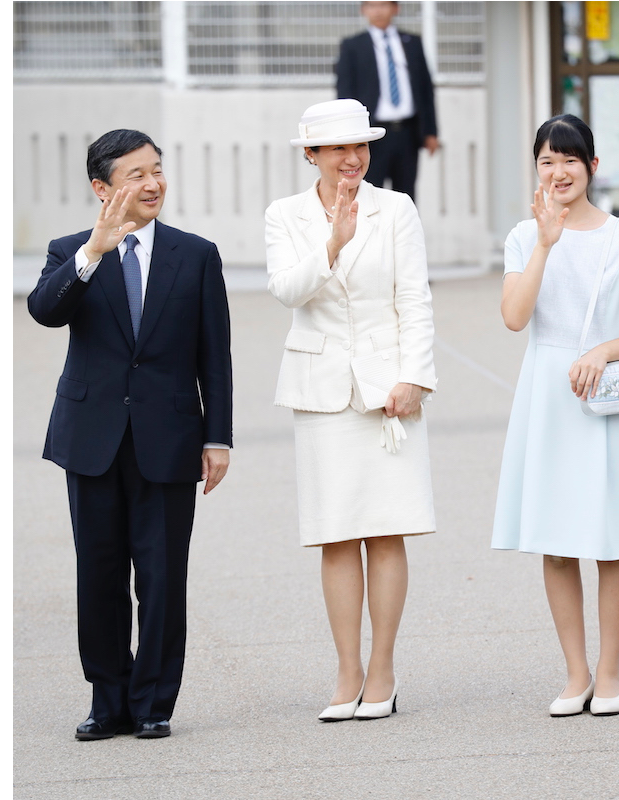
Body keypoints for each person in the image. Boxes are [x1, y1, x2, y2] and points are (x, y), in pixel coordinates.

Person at [27, 129, 233, 740]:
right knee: (100, 572)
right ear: (102, 188)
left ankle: (153, 702)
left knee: (164, 576)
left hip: (168, 437)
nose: (152, 184)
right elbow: (44, 309)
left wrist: (216, 437)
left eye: (158, 171)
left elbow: (213, 357)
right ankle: (107, 698)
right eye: (137, 175)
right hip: (91, 439)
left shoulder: (195, 254)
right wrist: (94, 249)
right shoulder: (72, 250)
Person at [265, 99, 437, 721]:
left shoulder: (397, 209)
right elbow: (287, 289)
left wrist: (414, 377)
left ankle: (383, 670)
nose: (352, 160)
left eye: (360, 147)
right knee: (336, 534)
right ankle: (347, 670)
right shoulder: (284, 216)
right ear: (310, 154)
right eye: (338, 149)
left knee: (386, 529)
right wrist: (332, 243)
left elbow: (415, 298)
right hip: (320, 389)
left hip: (387, 389)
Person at [492, 114, 619, 717]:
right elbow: (515, 317)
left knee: (613, 540)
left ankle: (612, 672)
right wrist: (546, 241)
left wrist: (602, 349)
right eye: (547, 161)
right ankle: (576, 673)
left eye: (570, 159)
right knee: (557, 542)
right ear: (536, 170)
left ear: (592, 166)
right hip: (548, 396)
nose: (558, 171)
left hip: (606, 400)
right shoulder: (523, 236)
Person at [336, 1, 438, 201]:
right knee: (368, 194)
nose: (378, 10)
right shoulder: (353, 46)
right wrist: (349, 137)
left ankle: (402, 233)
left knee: (406, 195)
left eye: (383, 4)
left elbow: (426, 89)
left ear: (395, 8)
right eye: (372, 5)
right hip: (371, 134)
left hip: (407, 132)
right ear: (363, 9)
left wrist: (431, 131)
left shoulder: (412, 42)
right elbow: (345, 93)